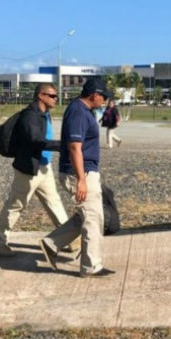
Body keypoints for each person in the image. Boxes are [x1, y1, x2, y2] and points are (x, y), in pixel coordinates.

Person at [39, 78, 115, 277]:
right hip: (79, 173)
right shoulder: (78, 112)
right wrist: (81, 179)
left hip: (85, 172)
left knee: (85, 216)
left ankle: (51, 244)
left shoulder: (83, 111)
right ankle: (91, 266)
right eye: (103, 96)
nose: (105, 100)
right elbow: (74, 147)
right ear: (94, 95)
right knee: (93, 218)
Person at [0, 83, 73, 257]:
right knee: (16, 205)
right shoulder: (31, 115)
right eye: (52, 95)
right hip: (28, 169)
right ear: (41, 96)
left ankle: (69, 239)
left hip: (44, 167)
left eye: (56, 96)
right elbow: (34, 141)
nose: (56, 99)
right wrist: (63, 146)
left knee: (54, 203)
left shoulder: (44, 114)